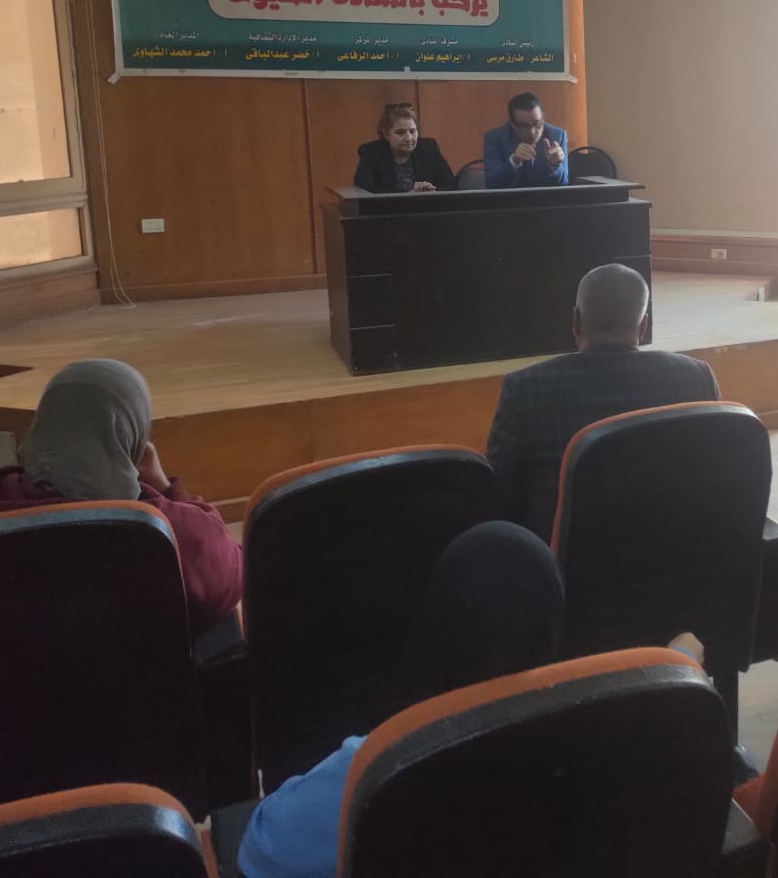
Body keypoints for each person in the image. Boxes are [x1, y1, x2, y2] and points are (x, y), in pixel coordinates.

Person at [238, 521, 702, 878]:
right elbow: (665, 707)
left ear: (436, 626)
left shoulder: (380, 768)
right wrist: (682, 658)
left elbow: (260, 849)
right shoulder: (607, 735)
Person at [0, 359, 242, 627]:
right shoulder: (172, 531)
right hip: (135, 662)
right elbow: (233, 574)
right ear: (134, 440)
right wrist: (165, 487)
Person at [486, 263, 719, 536]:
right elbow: (716, 480)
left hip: (563, 559)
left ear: (575, 321)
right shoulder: (696, 378)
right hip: (675, 551)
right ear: (643, 326)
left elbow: (497, 498)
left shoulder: (525, 390)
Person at [353, 102, 458, 194]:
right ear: (386, 134)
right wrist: (409, 194)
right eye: (400, 132)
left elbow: (450, 185)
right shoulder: (371, 152)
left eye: (412, 131)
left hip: (428, 207)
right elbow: (364, 191)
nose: (409, 138)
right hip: (388, 209)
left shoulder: (429, 148)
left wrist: (432, 191)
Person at [483, 91, 568, 188]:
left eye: (537, 124)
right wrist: (514, 161)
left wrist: (555, 166)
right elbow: (491, 184)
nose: (532, 132)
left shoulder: (558, 135)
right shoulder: (495, 138)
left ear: (543, 119)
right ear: (512, 124)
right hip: (510, 197)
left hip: (546, 197)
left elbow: (564, 184)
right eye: (524, 126)